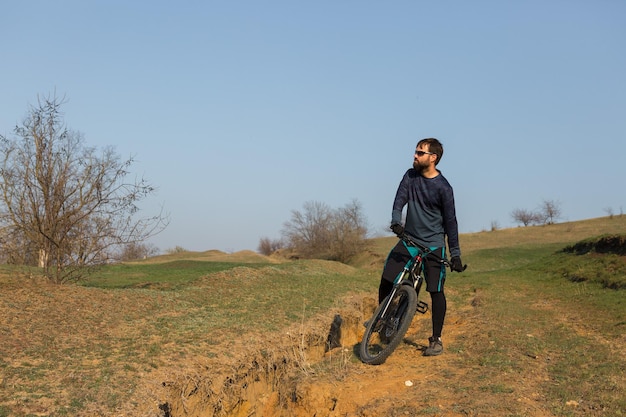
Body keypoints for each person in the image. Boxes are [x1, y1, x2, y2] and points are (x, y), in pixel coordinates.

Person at [378, 137, 465, 357]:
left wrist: (455, 254)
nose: (415, 156)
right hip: (409, 240)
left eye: (420, 153)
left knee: (436, 290)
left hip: (433, 245)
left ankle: (436, 340)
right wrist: (396, 221)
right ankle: (382, 317)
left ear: (433, 158)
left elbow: (451, 222)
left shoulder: (444, 188)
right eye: (415, 152)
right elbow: (399, 200)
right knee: (388, 277)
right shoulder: (410, 176)